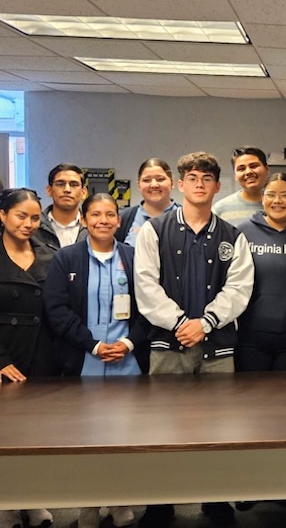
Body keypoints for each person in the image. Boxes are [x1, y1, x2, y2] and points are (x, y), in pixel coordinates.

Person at [134, 152, 254, 528]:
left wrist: (205, 323)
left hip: (217, 347)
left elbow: (239, 289)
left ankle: (215, 499)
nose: (199, 183)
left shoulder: (233, 237)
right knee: (162, 430)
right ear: (180, 184)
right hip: (167, 346)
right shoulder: (154, 231)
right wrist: (182, 322)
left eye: (207, 178)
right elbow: (146, 285)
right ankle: (160, 501)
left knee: (218, 430)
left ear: (218, 187)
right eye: (192, 177)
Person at [44, 193, 146, 528]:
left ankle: (118, 502)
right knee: (85, 440)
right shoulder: (66, 258)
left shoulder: (133, 258)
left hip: (126, 364)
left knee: (122, 439)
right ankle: (87, 505)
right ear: (85, 220)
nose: (103, 220)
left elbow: (149, 307)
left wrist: (129, 342)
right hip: (84, 362)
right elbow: (56, 311)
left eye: (110, 214)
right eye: (96, 214)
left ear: (120, 220)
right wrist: (94, 346)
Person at [0, 188, 56, 528]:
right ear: (3, 215)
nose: (29, 224)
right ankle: (5, 504)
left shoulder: (50, 254)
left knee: (38, 435)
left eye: (35, 218)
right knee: (4, 437)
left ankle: (34, 501)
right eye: (21, 216)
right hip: (6, 354)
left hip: (43, 355)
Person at [236, 173, 286, 371]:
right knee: (253, 399)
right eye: (271, 195)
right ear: (262, 197)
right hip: (250, 338)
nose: (277, 201)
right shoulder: (242, 233)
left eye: (285, 195)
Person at [116, 158, 178, 246]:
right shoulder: (123, 218)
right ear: (139, 185)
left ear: (172, 183)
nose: (154, 185)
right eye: (146, 180)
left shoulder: (186, 218)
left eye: (160, 179)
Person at [212, 146, 270, 227]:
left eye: (253, 166)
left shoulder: (284, 205)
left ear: (267, 169)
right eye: (241, 169)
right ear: (235, 175)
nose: (248, 172)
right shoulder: (220, 210)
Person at [38, 163, 88, 250]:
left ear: (83, 192)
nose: (67, 190)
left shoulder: (93, 227)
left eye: (74, 185)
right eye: (60, 184)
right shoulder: (35, 226)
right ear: (49, 190)